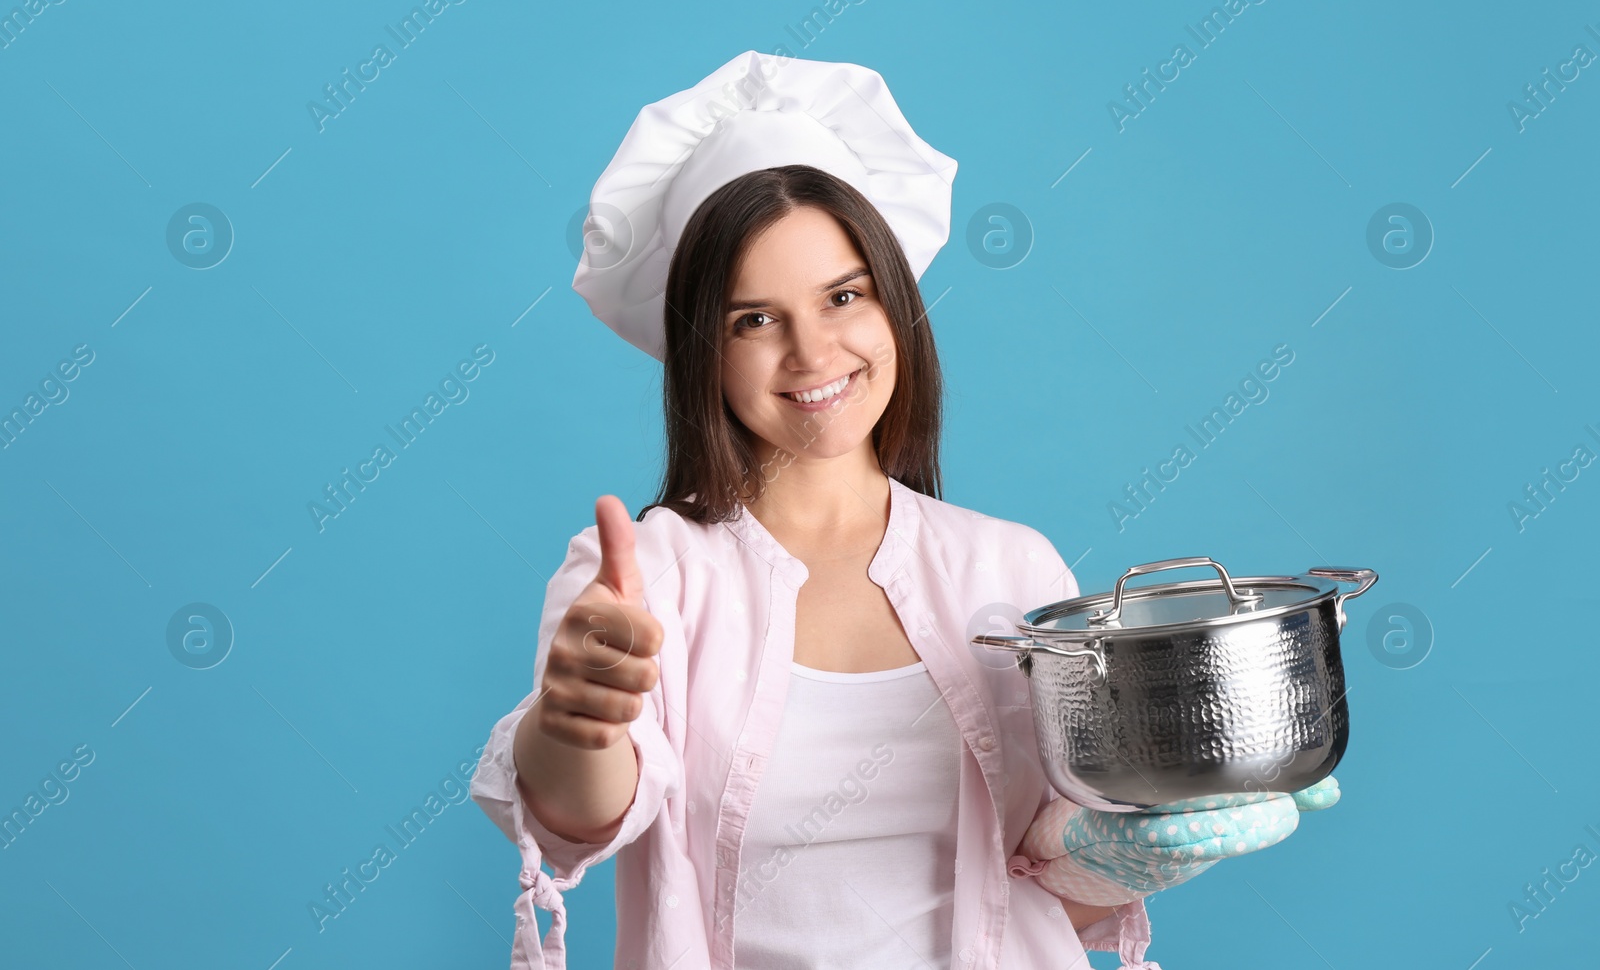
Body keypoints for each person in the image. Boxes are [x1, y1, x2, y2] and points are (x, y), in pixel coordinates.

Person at [468, 50, 1332, 970]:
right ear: (701, 356)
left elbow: (1040, 899)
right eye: (752, 319)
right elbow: (577, 819)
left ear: (895, 306)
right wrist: (573, 721)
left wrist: (1114, 861)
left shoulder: (1013, 574)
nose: (812, 351)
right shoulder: (647, 580)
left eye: (844, 296)